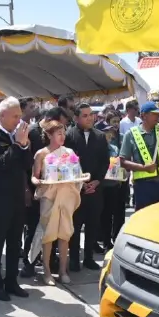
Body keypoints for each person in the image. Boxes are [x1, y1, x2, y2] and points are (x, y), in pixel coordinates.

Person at [0, 96, 31, 301]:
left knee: (14, 242)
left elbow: (26, 164)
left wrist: (25, 145)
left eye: (20, 116)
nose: (19, 120)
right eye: (15, 116)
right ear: (2, 115)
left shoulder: (18, 135)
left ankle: (12, 281)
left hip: (17, 197)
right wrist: (17, 145)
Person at [30, 119, 83, 285]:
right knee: (48, 234)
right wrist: (36, 182)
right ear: (48, 135)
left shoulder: (68, 151)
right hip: (49, 196)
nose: (62, 136)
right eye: (59, 133)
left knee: (65, 233)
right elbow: (34, 176)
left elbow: (76, 171)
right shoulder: (41, 154)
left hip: (66, 195)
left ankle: (62, 270)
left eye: (63, 133)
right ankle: (46, 271)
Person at [22, 106, 66, 277]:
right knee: (34, 228)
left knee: (53, 228)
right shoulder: (32, 133)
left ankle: (50, 261)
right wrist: (28, 187)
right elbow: (26, 165)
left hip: (56, 192)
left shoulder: (62, 142)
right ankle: (29, 262)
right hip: (36, 191)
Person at [65, 103, 109, 272]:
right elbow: (66, 163)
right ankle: (74, 259)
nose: (90, 118)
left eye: (91, 114)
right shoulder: (69, 136)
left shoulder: (100, 136)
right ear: (76, 118)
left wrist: (97, 181)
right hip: (76, 189)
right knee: (75, 226)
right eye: (85, 115)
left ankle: (89, 257)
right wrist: (80, 183)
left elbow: (105, 161)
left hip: (95, 189)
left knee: (93, 224)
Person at [119, 101, 159, 211]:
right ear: (143, 116)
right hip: (143, 186)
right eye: (154, 114)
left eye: (158, 114)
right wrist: (143, 168)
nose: (157, 116)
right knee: (145, 220)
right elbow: (122, 161)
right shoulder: (131, 134)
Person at [98, 122, 124, 252]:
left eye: (110, 134)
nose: (109, 136)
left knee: (111, 213)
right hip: (102, 185)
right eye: (106, 133)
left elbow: (118, 164)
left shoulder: (114, 148)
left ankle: (109, 241)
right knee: (103, 215)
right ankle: (103, 240)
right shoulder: (99, 148)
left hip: (114, 184)